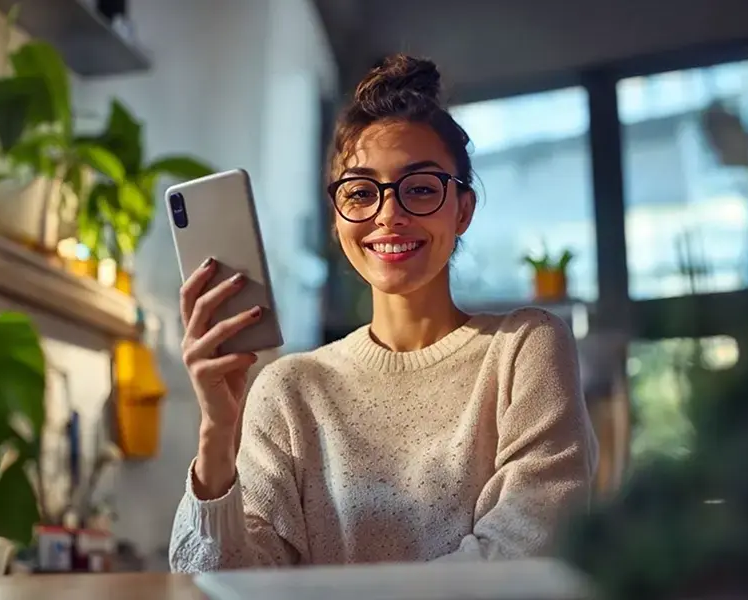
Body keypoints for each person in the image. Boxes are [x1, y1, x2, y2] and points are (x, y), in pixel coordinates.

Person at [169, 54, 598, 572]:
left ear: (462, 209)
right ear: (338, 218)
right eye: (360, 192)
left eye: (419, 188)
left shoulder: (522, 349)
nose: (388, 214)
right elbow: (221, 583)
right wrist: (217, 430)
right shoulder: (289, 388)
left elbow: (530, 548)